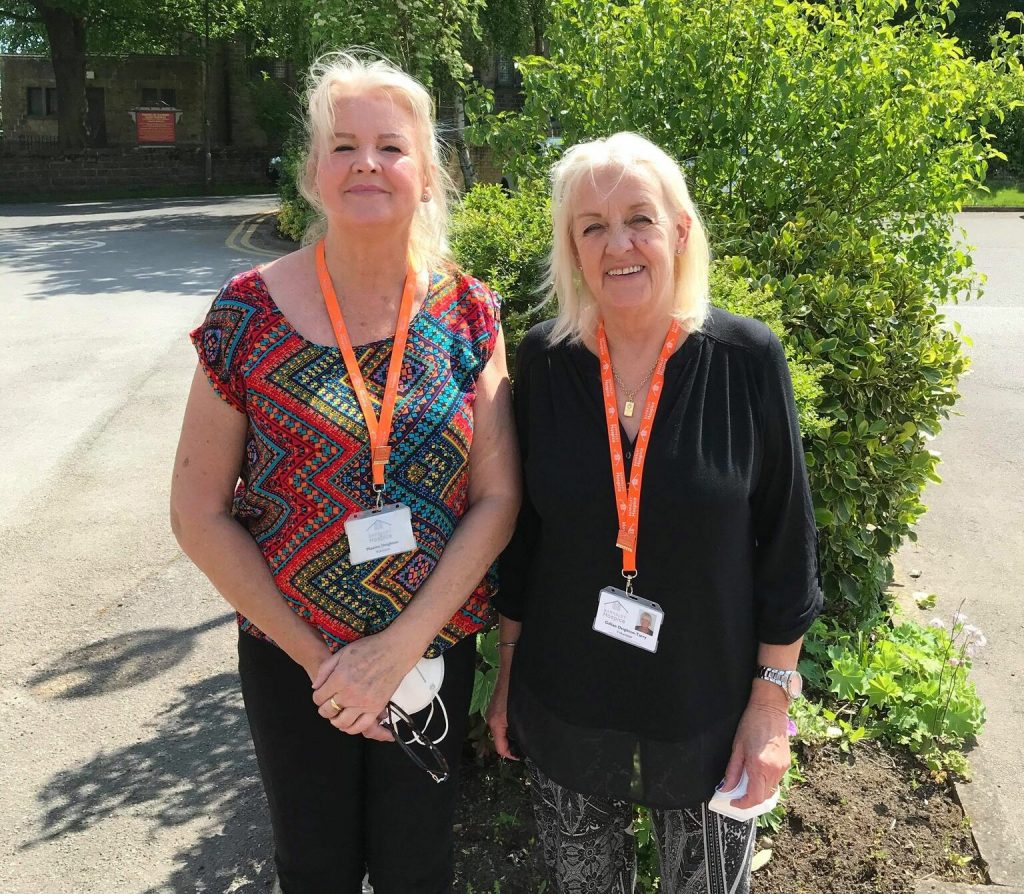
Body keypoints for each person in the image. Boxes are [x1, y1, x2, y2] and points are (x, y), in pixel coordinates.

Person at [170, 52, 519, 894]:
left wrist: (395, 652)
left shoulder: (468, 311)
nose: (368, 162)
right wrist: (326, 662)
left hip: (429, 656)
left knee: (418, 868)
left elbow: (498, 496)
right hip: (295, 666)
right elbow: (196, 510)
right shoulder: (245, 314)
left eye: (392, 147)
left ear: (427, 173)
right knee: (313, 869)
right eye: (344, 145)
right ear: (312, 172)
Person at [487, 132, 821, 894]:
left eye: (639, 217)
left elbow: (787, 544)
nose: (619, 244)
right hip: (567, 696)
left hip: (708, 709)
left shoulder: (746, 359)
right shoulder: (543, 361)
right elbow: (526, 541)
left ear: (680, 229)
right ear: (572, 250)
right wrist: (508, 673)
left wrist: (771, 710)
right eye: (592, 226)